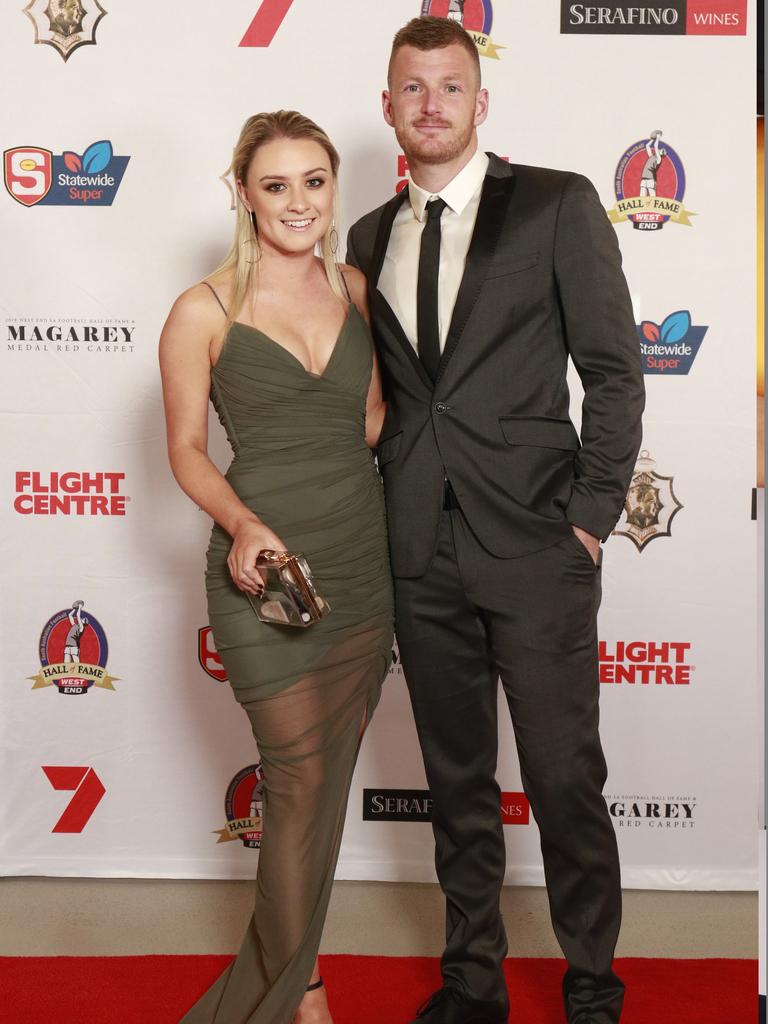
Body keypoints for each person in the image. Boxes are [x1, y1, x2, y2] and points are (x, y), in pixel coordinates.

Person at [346, 16, 645, 1024]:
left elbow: (614, 372)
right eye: (411, 87)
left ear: (481, 102)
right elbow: (388, 402)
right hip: (418, 551)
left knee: (566, 781)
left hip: (537, 545)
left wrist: (592, 516)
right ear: (388, 106)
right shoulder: (364, 239)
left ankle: (594, 990)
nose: (431, 103)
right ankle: (472, 982)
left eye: (450, 85)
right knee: (456, 782)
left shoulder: (557, 206)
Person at [160, 110, 393, 1024]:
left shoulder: (358, 289)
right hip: (266, 572)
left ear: (334, 190)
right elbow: (184, 449)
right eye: (275, 185)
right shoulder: (203, 309)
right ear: (242, 194)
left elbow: (372, 419)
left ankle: (300, 984)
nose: (298, 202)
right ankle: (300, 999)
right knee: (295, 783)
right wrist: (244, 522)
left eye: (314, 181)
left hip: (360, 563)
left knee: (323, 792)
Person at [640, 130, 665, 197]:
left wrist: (658, 138)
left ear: (662, 154)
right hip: (644, 179)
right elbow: (647, 146)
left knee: (653, 199)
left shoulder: (658, 159)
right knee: (641, 199)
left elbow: (655, 146)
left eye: (661, 151)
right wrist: (652, 139)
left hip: (650, 180)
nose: (660, 150)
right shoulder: (651, 156)